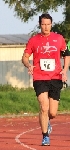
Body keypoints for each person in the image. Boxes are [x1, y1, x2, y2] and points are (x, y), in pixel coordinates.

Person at [22, 13, 70, 146]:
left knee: (52, 113)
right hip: (40, 78)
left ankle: (47, 122)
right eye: (43, 24)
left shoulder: (59, 39)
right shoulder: (33, 40)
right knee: (44, 107)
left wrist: (65, 70)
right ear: (39, 25)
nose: (46, 27)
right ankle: (45, 136)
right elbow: (25, 57)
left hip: (55, 77)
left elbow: (67, 55)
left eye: (48, 24)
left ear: (51, 24)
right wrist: (28, 65)